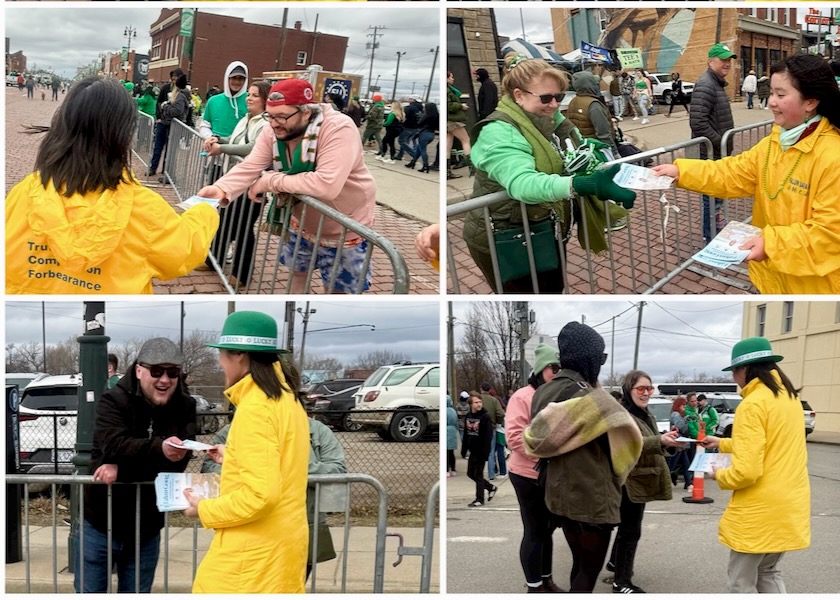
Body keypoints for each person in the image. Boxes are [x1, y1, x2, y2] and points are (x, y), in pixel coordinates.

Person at [5, 77, 219, 294]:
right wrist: (204, 209)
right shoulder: (143, 208)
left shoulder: (24, 193)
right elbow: (184, 250)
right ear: (122, 134)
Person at [652, 53, 840, 294]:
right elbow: (733, 172)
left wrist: (770, 244)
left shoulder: (832, 156)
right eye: (771, 93)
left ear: (810, 102)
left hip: (814, 285)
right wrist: (681, 171)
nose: (771, 101)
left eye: (781, 95)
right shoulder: (775, 141)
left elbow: (830, 232)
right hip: (774, 275)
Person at [463, 55, 636, 294]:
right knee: (528, 295)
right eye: (545, 98)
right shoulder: (498, 131)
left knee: (553, 287)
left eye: (559, 97)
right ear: (519, 95)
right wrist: (581, 184)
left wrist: (586, 148)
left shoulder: (544, 119)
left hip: (542, 228)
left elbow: (570, 138)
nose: (554, 104)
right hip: (507, 238)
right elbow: (522, 183)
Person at [195, 78, 377, 295]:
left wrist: (269, 181)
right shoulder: (274, 128)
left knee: (338, 294)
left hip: (345, 229)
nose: (273, 123)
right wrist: (221, 189)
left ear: (306, 112)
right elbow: (253, 163)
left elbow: (327, 184)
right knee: (296, 277)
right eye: (270, 116)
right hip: (301, 223)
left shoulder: (338, 128)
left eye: (282, 117)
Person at [184, 311, 310, 593]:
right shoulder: (285, 399)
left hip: (251, 558)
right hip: (280, 547)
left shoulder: (255, 408)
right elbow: (282, 463)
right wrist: (234, 456)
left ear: (239, 355)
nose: (220, 364)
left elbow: (261, 496)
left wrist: (202, 508)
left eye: (222, 356)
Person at [525, 322, 642, 593]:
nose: (600, 364)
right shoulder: (595, 399)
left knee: (579, 566)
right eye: (599, 358)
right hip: (593, 497)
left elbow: (539, 437)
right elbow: (628, 442)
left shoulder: (543, 391)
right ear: (587, 357)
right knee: (586, 575)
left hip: (557, 495)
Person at [74, 338, 196, 593]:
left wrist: (123, 469)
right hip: (100, 522)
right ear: (139, 370)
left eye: (172, 373)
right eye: (157, 371)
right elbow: (113, 447)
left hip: (147, 527)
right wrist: (159, 449)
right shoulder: (113, 400)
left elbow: (179, 462)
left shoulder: (185, 405)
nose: (165, 380)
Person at [700, 337, 809, 593]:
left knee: (741, 582)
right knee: (768, 572)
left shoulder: (752, 404)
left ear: (745, 369)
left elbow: (747, 471)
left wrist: (719, 474)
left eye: (734, 371)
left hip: (760, 509)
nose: (733, 378)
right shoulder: (787, 398)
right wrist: (722, 443)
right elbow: (769, 445)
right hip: (789, 502)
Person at [607, 370, 684, 594]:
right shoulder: (623, 415)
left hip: (641, 478)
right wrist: (658, 440)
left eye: (649, 389)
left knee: (627, 529)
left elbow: (652, 442)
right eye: (641, 389)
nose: (646, 393)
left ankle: (614, 563)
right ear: (628, 390)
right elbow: (627, 446)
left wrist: (667, 441)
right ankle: (621, 582)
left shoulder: (644, 413)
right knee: (630, 532)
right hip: (628, 481)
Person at [505, 343, 565, 593]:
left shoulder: (558, 395)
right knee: (534, 530)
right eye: (553, 367)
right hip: (526, 475)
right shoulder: (523, 396)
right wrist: (548, 449)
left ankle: (547, 580)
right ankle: (534, 587)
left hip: (549, 475)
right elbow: (514, 437)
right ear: (541, 369)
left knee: (547, 530)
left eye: (560, 368)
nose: (557, 372)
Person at [202, 80, 272, 289]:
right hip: (234, 181)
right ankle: (214, 260)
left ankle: (241, 275)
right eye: (249, 94)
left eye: (254, 95)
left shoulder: (266, 125)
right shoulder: (246, 119)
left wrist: (222, 149)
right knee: (224, 222)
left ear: (265, 100)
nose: (249, 98)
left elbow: (252, 149)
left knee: (243, 229)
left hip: (252, 186)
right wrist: (218, 139)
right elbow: (235, 139)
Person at [691, 43, 736, 244]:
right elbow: (698, 122)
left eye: (729, 60)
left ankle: (715, 232)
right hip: (711, 153)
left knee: (716, 196)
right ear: (711, 61)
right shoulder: (706, 84)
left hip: (717, 152)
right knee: (711, 198)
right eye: (723, 59)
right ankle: (711, 238)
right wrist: (720, 143)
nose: (727, 64)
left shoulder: (715, 83)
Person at [200, 61, 249, 182]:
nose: (237, 82)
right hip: (216, 158)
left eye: (241, 78)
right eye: (233, 78)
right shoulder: (213, 101)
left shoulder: (251, 101)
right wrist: (210, 138)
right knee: (214, 192)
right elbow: (204, 125)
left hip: (240, 159)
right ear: (227, 78)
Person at [149, 73, 193, 177]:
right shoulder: (173, 92)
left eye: (176, 79)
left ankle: (166, 172)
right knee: (159, 148)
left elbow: (177, 110)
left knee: (169, 150)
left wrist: (165, 107)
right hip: (165, 123)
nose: (173, 81)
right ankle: (156, 169)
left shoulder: (181, 95)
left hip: (171, 125)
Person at [567, 71, 619, 155]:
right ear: (589, 84)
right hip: (598, 149)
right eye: (594, 82)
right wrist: (614, 153)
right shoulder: (594, 105)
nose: (596, 84)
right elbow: (604, 134)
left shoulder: (573, 101)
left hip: (584, 148)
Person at [462, 393, 496, 508]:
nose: (479, 404)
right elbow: (466, 434)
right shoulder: (468, 416)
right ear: (471, 404)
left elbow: (488, 437)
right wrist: (464, 449)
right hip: (473, 450)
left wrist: (485, 453)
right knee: (470, 473)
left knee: (478, 474)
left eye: (480, 402)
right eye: (476, 402)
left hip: (481, 451)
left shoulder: (485, 417)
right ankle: (491, 487)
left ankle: (479, 499)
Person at [446, 71, 472, 179]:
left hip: (447, 121)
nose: (453, 79)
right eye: (451, 77)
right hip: (453, 120)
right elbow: (449, 106)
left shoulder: (448, 90)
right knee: (465, 140)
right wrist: (461, 106)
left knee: (447, 145)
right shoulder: (447, 90)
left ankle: (447, 172)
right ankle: (473, 168)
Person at [480, 382, 506, 480]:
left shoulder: (477, 399)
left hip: (478, 427)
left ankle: (478, 472)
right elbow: (500, 414)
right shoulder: (494, 400)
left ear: (481, 389)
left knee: (479, 451)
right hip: (491, 427)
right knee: (491, 452)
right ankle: (491, 474)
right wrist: (497, 422)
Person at [667, 397, 693, 490]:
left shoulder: (678, 414)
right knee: (672, 464)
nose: (684, 407)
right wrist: (687, 420)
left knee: (686, 464)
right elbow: (682, 427)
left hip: (681, 443)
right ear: (678, 405)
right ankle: (666, 481)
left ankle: (688, 483)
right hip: (678, 442)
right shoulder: (676, 414)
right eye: (683, 405)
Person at [405, 102, 438, 173]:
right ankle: (413, 162)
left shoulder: (426, 115)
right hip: (432, 134)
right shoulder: (437, 116)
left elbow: (419, 123)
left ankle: (425, 165)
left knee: (423, 150)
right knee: (419, 148)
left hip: (424, 133)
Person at [396, 95, 424, 161]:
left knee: (401, 141)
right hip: (416, 128)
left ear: (413, 100)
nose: (408, 100)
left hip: (408, 127)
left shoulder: (409, 108)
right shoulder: (421, 108)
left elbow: (403, 117)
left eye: (410, 99)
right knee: (407, 141)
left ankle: (414, 154)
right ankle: (400, 155)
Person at [446, 395, 458, 477]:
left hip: (446, 431)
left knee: (446, 452)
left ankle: (447, 470)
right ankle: (453, 469)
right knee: (451, 452)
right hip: (453, 431)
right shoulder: (453, 411)